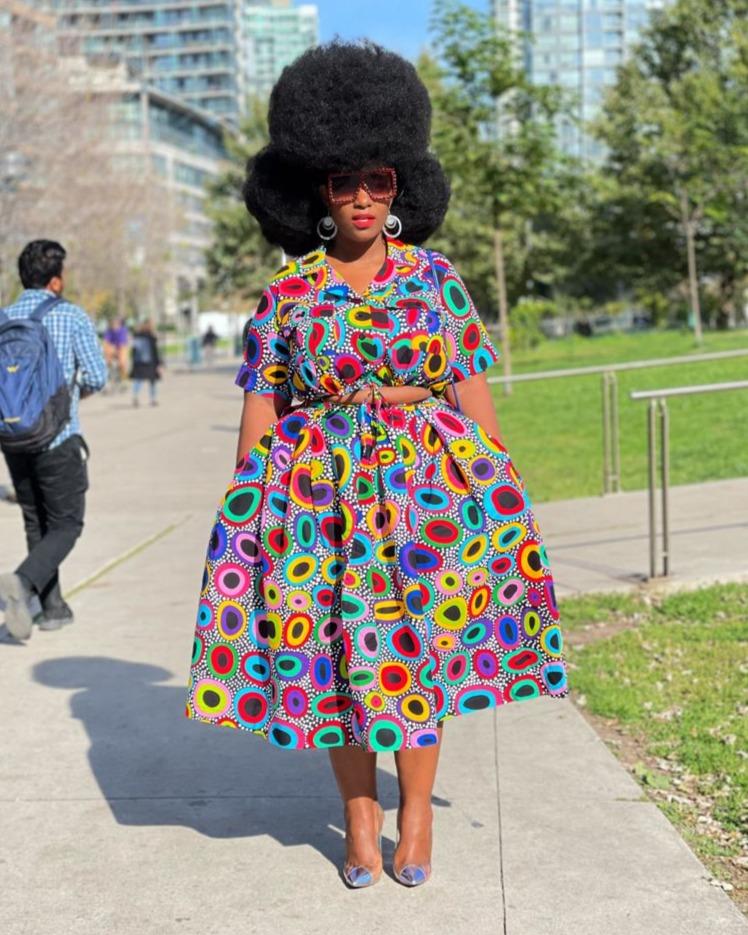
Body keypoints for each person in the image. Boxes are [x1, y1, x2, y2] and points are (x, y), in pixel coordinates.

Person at [184, 42, 569, 889]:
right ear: (314, 189)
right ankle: (360, 818)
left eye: (380, 181)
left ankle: (417, 813)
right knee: (337, 659)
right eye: (343, 182)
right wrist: (251, 519)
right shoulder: (287, 294)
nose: (363, 197)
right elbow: (259, 410)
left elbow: (471, 385)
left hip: (430, 495)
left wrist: (503, 490)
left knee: (419, 651)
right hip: (320, 502)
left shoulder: (436, 277)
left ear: (403, 187)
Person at [0, 240, 107, 639]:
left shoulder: (5, 316)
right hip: (58, 437)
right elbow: (97, 376)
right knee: (66, 524)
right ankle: (23, 582)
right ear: (57, 281)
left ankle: (52, 608)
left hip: (12, 436)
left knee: (35, 519)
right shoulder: (72, 317)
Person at [130, 320, 162, 407]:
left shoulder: (137, 336)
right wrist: (158, 364)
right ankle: (153, 399)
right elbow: (155, 352)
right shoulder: (151, 337)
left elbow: (133, 351)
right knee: (152, 381)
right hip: (150, 362)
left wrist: (133, 362)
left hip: (139, 363)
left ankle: (135, 396)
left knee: (138, 380)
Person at [102, 316, 129, 387]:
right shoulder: (109, 331)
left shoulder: (123, 330)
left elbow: (122, 343)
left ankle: (124, 379)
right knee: (107, 359)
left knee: (122, 363)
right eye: (113, 324)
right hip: (113, 347)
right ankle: (107, 378)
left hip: (121, 347)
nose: (114, 325)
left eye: (116, 324)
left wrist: (118, 352)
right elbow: (106, 341)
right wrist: (106, 350)